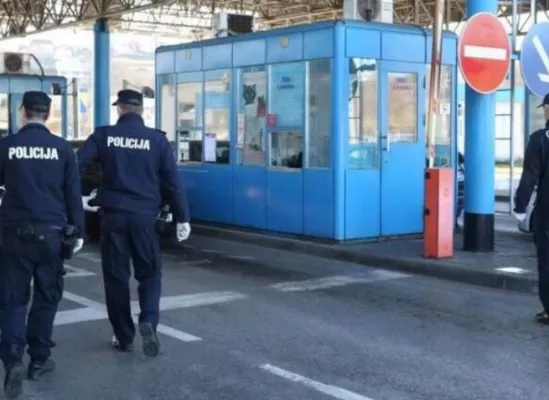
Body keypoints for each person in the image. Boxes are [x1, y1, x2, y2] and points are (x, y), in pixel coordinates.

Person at [76, 89, 191, 358]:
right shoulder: (157, 140)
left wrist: (79, 198)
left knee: (116, 278)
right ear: (141, 110)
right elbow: (173, 182)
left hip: (113, 216)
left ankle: (124, 336)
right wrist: (182, 217)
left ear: (120, 109)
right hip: (144, 218)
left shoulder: (103, 135)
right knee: (149, 273)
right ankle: (148, 319)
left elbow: (76, 165)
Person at [0, 91, 85, 398]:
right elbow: (73, 194)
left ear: (23, 112)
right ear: (47, 115)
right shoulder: (62, 149)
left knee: (12, 299)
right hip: (52, 235)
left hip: (13, 234)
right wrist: (78, 233)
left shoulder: (6, 147)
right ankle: (39, 360)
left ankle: (11, 359)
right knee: (47, 298)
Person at [514, 92, 549, 324]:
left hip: (547, 214)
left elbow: (530, 177)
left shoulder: (539, 139)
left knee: (546, 262)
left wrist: (520, 206)